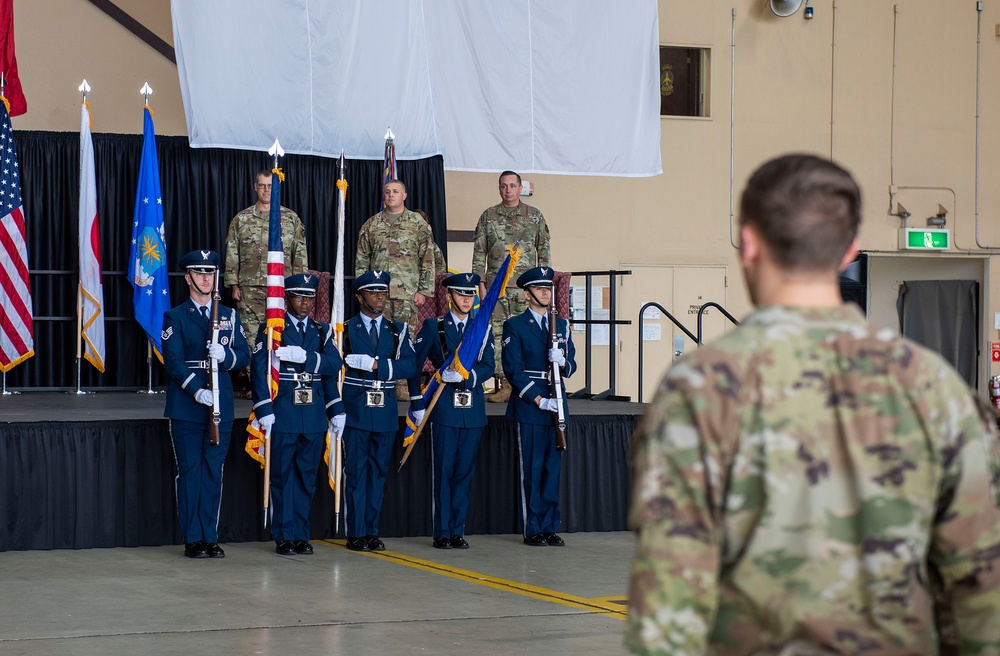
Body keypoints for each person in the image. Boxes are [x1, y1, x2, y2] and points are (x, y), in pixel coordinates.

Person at [626, 154, 1000, 655]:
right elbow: (980, 591)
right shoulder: (933, 386)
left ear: (751, 244)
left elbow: (669, 603)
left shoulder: (701, 388)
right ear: (850, 251)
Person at [162, 249, 251, 559]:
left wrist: (226, 357)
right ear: (188, 278)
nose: (205, 278)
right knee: (191, 472)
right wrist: (197, 390)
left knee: (214, 471)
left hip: (220, 405)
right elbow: (173, 362)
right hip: (188, 406)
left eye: (210, 273)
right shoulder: (174, 317)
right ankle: (193, 538)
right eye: (199, 273)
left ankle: (210, 536)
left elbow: (245, 354)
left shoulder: (228, 315)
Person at [250, 273, 346, 556]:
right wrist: (264, 408)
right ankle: (284, 535)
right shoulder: (272, 330)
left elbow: (334, 364)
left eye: (309, 298)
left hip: (313, 413)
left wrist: (336, 407)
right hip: (284, 412)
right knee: (281, 475)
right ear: (287, 298)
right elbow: (259, 369)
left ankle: (301, 534)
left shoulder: (322, 331)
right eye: (298, 297)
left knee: (306, 476)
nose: (305, 303)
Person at [408, 273, 495, 549]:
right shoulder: (434, 327)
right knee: (444, 471)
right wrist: (416, 402)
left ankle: (457, 530)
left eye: (470, 295)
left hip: (472, 408)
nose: (467, 300)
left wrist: (468, 378)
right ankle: (442, 531)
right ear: (449, 297)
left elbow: (488, 366)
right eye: (461, 294)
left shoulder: (481, 327)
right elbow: (413, 364)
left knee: (464, 473)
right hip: (443, 406)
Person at [340, 270, 419, 552]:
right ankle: (356, 532)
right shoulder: (344, 329)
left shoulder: (397, 329)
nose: (379, 297)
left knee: (377, 473)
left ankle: (371, 530)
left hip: (384, 408)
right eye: (373, 293)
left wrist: (378, 366)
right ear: (360, 296)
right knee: (357, 472)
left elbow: (411, 365)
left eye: (382, 292)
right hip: (356, 407)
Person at [501, 266, 576, 547]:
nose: (546, 293)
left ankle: (549, 525)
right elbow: (514, 370)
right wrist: (538, 399)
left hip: (557, 401)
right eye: (540, 289)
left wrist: (562, 362)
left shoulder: (563, 325)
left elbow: (572, 365)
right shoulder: (515, 325)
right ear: (527, 294)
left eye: (549, 289)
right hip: (532, 405)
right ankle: (532, 527)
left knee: (551, 469)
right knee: (532, 469)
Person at [472, 171, 551, 403]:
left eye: (512, 186)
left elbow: (544, 250)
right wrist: (481, 284)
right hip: (496, 289)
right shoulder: (488, 216)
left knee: (525, 335)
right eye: (504, 186)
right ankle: (504, 384)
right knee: (497, 336)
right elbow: (479, 252)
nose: (508, 190)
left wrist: (542, 285)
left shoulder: (534, 216)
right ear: (499, 189)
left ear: (520, 188)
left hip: (525, 289)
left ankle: (524, 384)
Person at [355, 180, 436, 401]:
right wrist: (362, 291)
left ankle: (400, 383)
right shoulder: (372, 224)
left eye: (395, 192)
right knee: (376, 336)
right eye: (387, 192)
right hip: (375, 294)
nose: (391, 195)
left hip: (406, 293)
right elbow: (362, 259)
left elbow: (428, 259)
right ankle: (376, 378)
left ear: (404, 196)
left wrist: (423, 290)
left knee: (403, 338)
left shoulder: (418, 224)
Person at [224, 169, 309, 343]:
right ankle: (251, 372)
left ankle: (276, 371)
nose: (266, 190)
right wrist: (233, 284)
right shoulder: (241, 219)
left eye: (270, 186)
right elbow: (232, 252)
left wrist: (299, 286)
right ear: (256, 187)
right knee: (250, 339)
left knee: (281, 337)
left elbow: (300, 254)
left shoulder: (291, 218)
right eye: (262, 185)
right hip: (249, 290)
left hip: (282, 288)